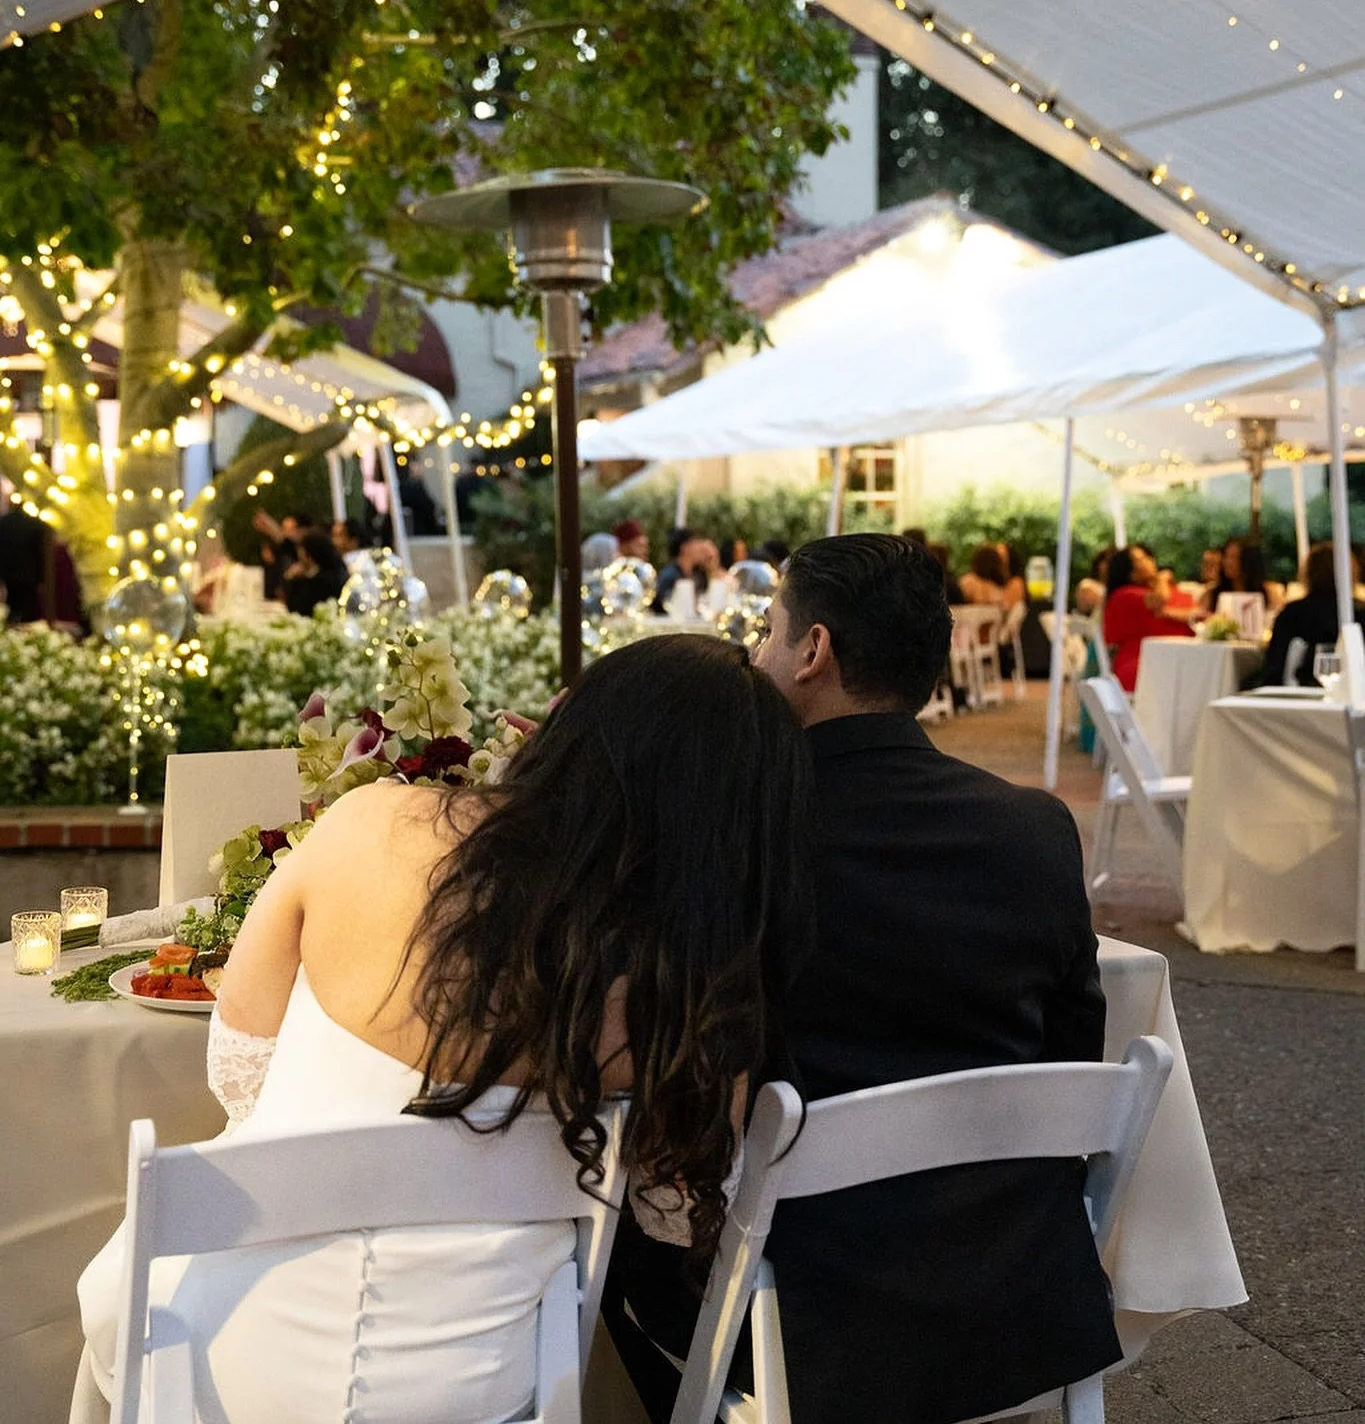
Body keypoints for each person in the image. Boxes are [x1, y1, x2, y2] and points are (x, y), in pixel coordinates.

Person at [73, 636, 814, 1424]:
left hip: (215, 1355)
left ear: (577, 732)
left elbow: (239, 1075)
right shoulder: (693, 998)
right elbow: (674, 1213)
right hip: (479, 1380)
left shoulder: (369, 822)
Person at [606, 534, 1118, 1424]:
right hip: (1016, 1299)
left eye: (768, 634)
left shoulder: (729, 843)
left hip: (794, 1318)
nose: (759, 656)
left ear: (813, 652)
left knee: (594, 1241)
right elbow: (1073, 1058)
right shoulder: (1035, 827)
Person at [1263, 543, 1360, 686]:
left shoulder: (1291, 614)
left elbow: (1274, 668)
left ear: (1308, 573)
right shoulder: (1357, 613)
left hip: (1298, 694)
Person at [1102, 544, 1193, 691]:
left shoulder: (1154, 591)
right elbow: (1160, 599)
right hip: (1143, 666)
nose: (1149, 560)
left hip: (1173, 662)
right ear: (1130, 572)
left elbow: (1194, 612)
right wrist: (1163, 577)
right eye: (1141, 558)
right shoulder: (1125, 595)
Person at [282, 531, 350, 617]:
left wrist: (291, 579)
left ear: (309, 554)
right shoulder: (335, 570)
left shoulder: (321, 580)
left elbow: (295, 608)